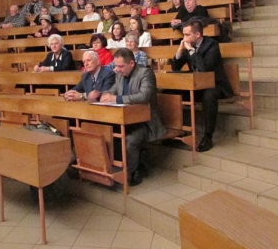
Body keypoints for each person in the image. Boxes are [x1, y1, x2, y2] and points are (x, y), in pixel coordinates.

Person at [100, 48, 166, 186]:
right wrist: (105, 95)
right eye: (116, 66)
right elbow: (112, 91)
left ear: (131, 63)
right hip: (124, 119)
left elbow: (144, 96)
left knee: (130, 141)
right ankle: (109, 172)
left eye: (121, 66)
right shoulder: (120, 75)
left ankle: (132, 172)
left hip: (145, 122)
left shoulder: (145, 73)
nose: (117, 69)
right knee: (104, 133)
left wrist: (116, 99)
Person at [171, 19, 233, 152]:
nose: (184, 38)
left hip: (214, 84)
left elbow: (204, 68)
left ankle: (208, 136)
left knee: (209, 96)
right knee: (169, 92)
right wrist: (180, 51)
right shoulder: (187, 45)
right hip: (196, 84)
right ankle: (175, 131)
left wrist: (191, 51)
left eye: (187, 34)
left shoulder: (212, 45)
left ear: (197, 34)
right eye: (184, 34)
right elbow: (175, 67)